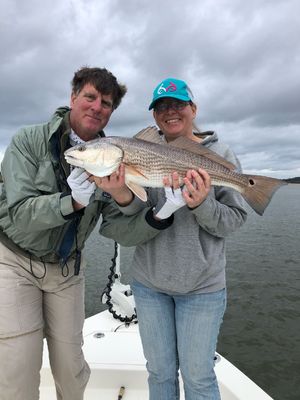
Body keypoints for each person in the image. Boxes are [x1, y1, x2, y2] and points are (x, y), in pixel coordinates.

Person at [99, 78, 248, 399]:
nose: (170, 112)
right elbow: (134, 219)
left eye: (178, 104)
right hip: (150, 287)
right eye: (161, 107)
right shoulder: (139, 151)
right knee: (159, 373)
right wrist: (122, 193)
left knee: (198, 377)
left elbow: (233, 221)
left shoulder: (219, 154)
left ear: (193, 109)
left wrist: (201, 204)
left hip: (202, 290)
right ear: (154, 116)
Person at [0, 66, 135, 400]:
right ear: (73, 96)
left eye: (106, 103)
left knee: (71, 369)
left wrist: (137, 204)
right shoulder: (28, 140)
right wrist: (70, 202)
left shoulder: (112, 157)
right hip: (15, 262)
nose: (96, 107)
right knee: (18, 369)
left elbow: (121, 229)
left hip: (67, 269)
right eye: (89, 97)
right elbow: (18, 214)